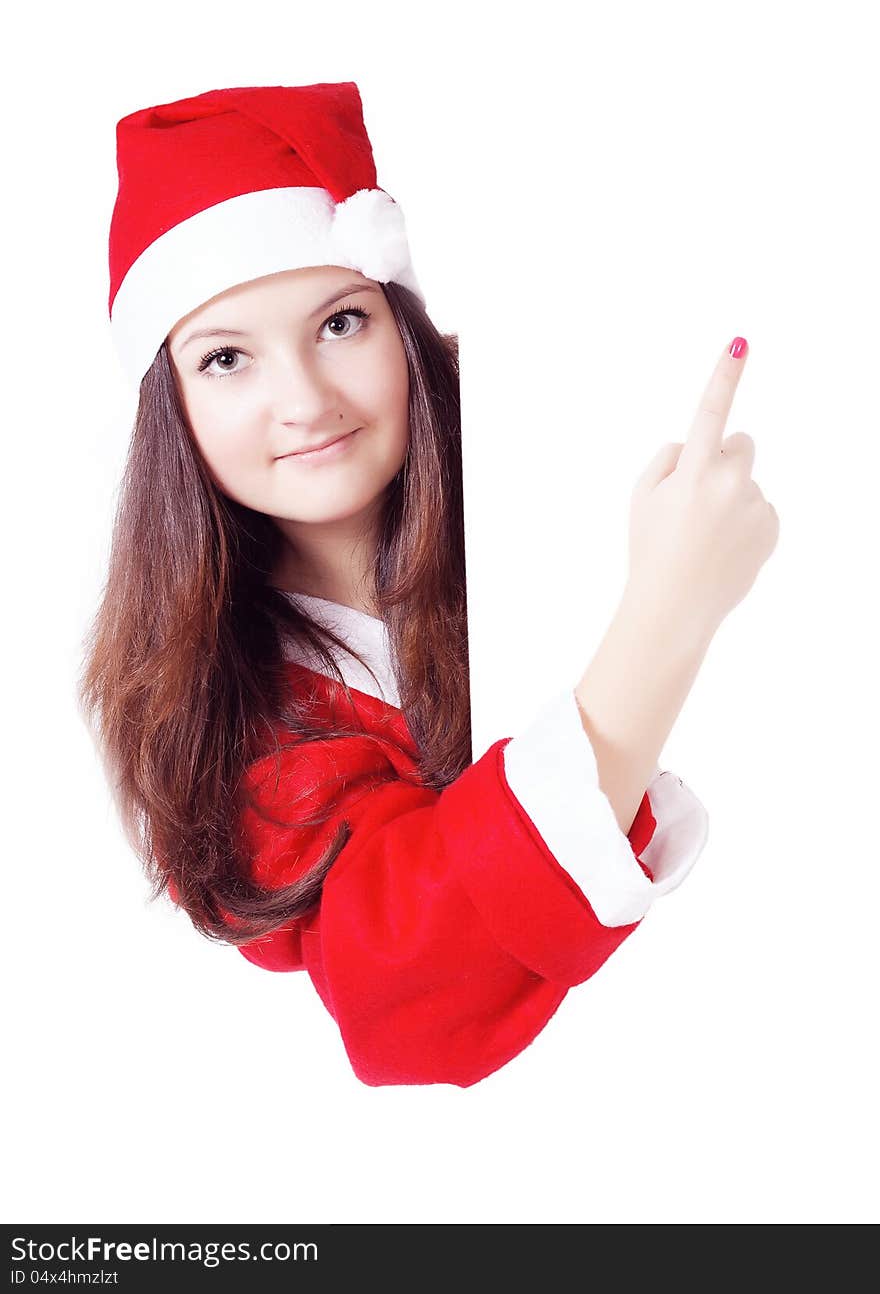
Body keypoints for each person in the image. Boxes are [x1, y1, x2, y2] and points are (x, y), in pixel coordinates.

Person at [78, 81, 779, 1089]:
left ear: (401, 324)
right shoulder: (227, 709)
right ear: (170, 408)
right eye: (226, 357)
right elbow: (403, 993)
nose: (305, 401)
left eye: (340, 323)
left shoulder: (552, 461)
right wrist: (668, 615)